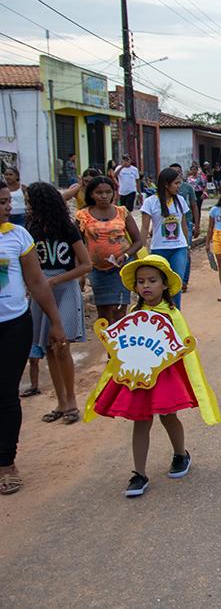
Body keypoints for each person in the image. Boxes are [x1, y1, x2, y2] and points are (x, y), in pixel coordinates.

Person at [83, 255, 221, 498]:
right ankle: (139, 473)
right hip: (138, 375)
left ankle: (180, 454)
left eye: (152, 280)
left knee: (168, 416)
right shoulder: (135, 313)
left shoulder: (171, 313)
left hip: (164, 375)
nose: (145, 286)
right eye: (140, 282)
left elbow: (182, 347)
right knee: (141, 420)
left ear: (165, 284)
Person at [0, 180, 68, 496]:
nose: (5, 209)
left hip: (13, 325)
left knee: (6, 394)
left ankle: (6, 463)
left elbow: (38, 282)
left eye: (5, 202)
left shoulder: (18, 236)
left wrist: (55, 322)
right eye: (0, 203)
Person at [25, 183, 92, 426]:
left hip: (63, 288)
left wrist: (54, 280)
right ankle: (61, 402)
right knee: (48, 348)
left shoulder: (67, 228)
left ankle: (72, 401)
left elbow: (85, 265)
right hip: (42, 289)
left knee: (62, 346)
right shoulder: (31, 229)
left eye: (30, 201)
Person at [76, 176, 143, 325]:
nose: (104, 196)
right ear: (91, 194)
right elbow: (77, 244)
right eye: (99, 192)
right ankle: (109, 347)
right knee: (104, 314)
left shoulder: (122, 212)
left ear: (114, 192)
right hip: (97, 270)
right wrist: (79, 272)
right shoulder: (82, 216)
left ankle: (119, 347)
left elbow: (138, 241)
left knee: (119, 312)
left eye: (108, 192)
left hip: (121, 269)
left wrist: (125, 255)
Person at [139, 168, 191, 308]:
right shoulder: (150, 202)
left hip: (178, 248)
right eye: (176, 183)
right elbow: (144, 227)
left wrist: (187, 245)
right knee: (158, 284)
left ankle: (175, 314)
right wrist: (141, 248)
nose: (179, 186)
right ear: (166, 184)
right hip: (159, 249)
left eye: (180, 183)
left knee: (175, 283)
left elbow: (184, 225)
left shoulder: (180, 200)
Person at [169, 163, 200, 292]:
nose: (177, 174)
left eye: (178, 172)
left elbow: (194, 206)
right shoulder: (163, 192)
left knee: (185, 252)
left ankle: (183, 281)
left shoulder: (188, 188)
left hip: (186, 223)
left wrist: (196, 225)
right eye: (173, 172)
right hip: (170, 226)